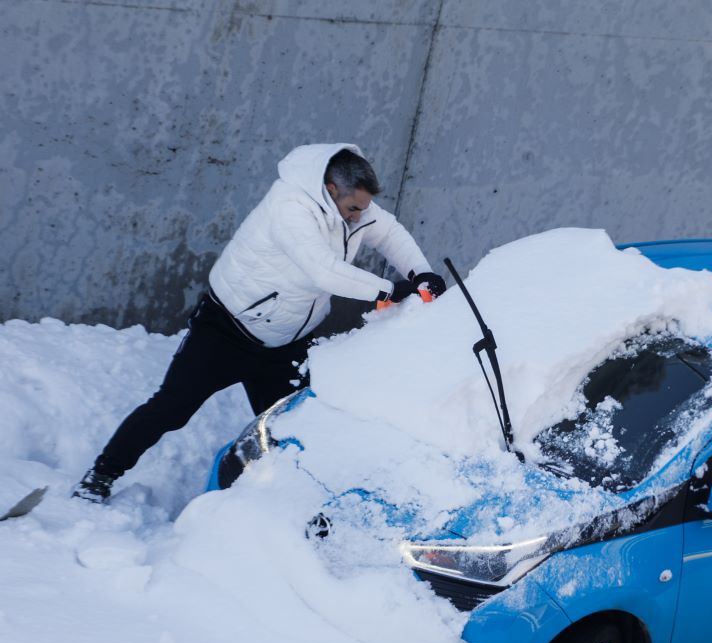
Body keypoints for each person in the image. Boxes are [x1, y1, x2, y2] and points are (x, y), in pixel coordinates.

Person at [74, 143, 445, 502]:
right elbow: (324, 272)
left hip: (286, 344)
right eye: (352, 208)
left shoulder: (353, 206)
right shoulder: (289, 207)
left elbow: (390, 232)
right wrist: (389, 290)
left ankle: (280, 505)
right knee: (171, 408)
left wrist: (422, 273)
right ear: (329, 189)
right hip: (225, 333)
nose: (358, 217)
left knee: (300, 425)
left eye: (363, 210)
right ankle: (100, 476)